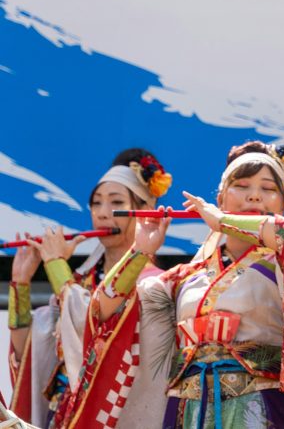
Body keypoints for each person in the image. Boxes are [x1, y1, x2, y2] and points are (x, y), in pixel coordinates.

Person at [64, 142, 284, 428]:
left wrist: (222, 222)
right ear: (221, 198)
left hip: (259, 408)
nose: (254, 196)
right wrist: (139, 250)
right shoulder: (187, 276)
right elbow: (103, 308)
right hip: (188, 411)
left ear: (283, 206)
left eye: (268, 189)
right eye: (242, 185)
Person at [7, 149, 170, 427]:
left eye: (116, 203)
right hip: (63, 415)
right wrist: (21, 283)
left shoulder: (155, 284)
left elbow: (91, 321)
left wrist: (57, 265)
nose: (103, 214)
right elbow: (31, 354)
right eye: (96, 204)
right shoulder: (79, 283)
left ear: (146, 210)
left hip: (117, 414)